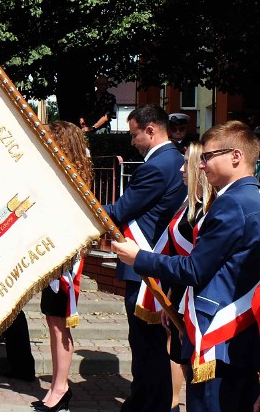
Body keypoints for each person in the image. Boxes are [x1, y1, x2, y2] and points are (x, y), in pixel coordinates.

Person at [113, 120, 260, 411]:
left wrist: (138, 257)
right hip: (242, 331)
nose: (200, 165)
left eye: (207, 157)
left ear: (236, 156)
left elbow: (195, 269)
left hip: (219, 332)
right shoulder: (251, 197)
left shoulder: (232, 203)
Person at [102, 104, 187, 412]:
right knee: (152, 345)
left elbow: (119, 211)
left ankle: (147, 405)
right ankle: (155, 402)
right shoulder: (175, 159)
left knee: (146, 345)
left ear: (151, 131)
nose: (132, 141)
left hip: (145, 266)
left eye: (134, 134)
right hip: (158, 263)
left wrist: (82, 206)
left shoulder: (156, 166)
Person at [32, 121, 93, 412]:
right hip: (52, 258)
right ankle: (58, 385)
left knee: (59, 324)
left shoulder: (73, 179)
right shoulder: (57, 173)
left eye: (51, 138)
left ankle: (61, 387)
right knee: (53, 322)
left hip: (64, 262)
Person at [160, 142, 217, 412]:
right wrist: (169, 298)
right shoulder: (187, 203)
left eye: (186, 163)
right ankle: (173, 403)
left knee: (191, 354)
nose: (182, 169)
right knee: (178, 349)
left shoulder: (209, 209)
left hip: (198, 296)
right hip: (181, 291)